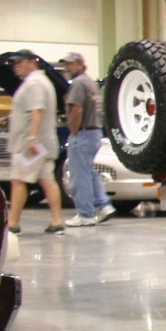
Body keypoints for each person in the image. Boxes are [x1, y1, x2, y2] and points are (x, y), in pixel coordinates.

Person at [6, 50, 64, 235]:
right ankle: (57, 221)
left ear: (32, 62)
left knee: (18, 180)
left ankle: (12, 224)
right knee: (47, 180)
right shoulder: (43, 82)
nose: (16, 66)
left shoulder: (34, 84)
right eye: (15, 64)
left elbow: (38, 111)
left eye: (20, 62)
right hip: (43, 143)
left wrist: (31, 138)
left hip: (31, 144)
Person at [59, 52, 113, 226]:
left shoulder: (78, 83)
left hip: (82, 133)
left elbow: (77, 110)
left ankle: (85, 214)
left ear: (81, 65)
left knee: (79, 176)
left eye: (71, 64)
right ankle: (104, 205)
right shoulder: (91, 83)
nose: (67, 67)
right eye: (66, 64)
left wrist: (74, 132)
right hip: (95, 132)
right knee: (89, 172)